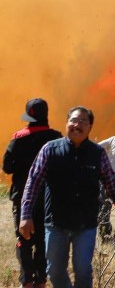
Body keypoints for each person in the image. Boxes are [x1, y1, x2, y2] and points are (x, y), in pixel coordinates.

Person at [18, 106, 115, 288]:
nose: (77, 125)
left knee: (84, 271)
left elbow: (112, 184)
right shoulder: (50, 150)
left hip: (85, 225)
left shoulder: (97, 154)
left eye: (83, 122)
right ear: (66, 123)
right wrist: (25, 215)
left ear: (90, 127)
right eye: (74, 121)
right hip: (56, 223)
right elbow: (33, 182)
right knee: (54, 271)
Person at [3, 98, 62, 288]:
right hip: (48, 198)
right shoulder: (57, 138)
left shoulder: (18, 139)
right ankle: (41, 280)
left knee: (24, 239)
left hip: (23, 198)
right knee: (44, 238)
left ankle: (26, 280)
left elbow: (7, 167)